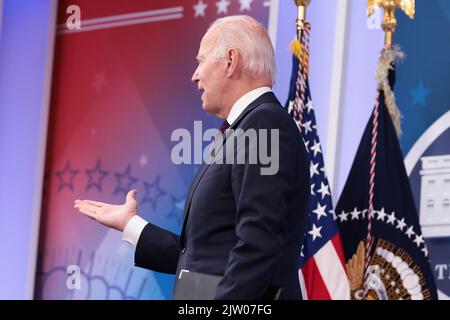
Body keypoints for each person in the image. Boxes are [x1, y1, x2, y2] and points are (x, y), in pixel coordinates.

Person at [74, 15, 309, 300]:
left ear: (230, 60)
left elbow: (257, 246)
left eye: (201, 60)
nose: (194, 75)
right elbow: (207, 258)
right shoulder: (246, 128)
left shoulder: (263, 124)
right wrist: (131, 226)